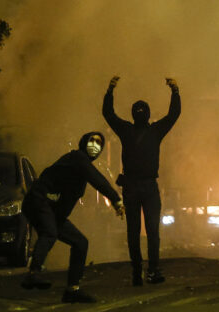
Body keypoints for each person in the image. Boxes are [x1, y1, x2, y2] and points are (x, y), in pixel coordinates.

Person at [21, 131, 124, 303]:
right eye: (92, 141)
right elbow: (97, 179)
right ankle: (33, 273)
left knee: (80, 242)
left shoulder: (81, 170)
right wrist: (116, 199)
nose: (95, 146)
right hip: (38, 201)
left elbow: (67, 198)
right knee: (50, 233)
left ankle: (72, 290)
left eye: (99, 143)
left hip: (51, 210)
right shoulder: (77, 158)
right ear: (83, 142)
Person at [102, 75, 181, 286]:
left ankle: (137, 272)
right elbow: (174, 115)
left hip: (131, 187)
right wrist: (174, 91)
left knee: (133, 231)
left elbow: (108, 114)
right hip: (148, 186)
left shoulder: (126, 130)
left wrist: (110, 91)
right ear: (147, 115)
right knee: (153, 231)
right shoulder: (155, 131)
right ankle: (152, 270)